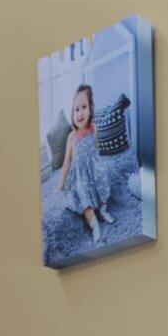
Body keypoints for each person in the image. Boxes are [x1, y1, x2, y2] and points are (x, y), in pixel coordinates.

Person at [56, 83, 114, 244]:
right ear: (72, 113)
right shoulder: (72, 136)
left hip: (93, 169)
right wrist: (60, 184)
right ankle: (94, 225)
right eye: (76, 109)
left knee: (103, 185)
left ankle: (103, 209)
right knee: (84, 199)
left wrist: (99, 165)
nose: (80, 113)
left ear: (90, 109)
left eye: (84, 107)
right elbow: (67, 161)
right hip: (80, 174)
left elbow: (96, 148)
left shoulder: (94, 128)